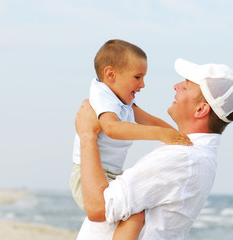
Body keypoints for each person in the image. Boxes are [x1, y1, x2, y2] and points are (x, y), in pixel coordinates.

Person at [75, 58, 233, 239]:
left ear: (201, 109)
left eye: (186, 87)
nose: (176, 86)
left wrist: (87, 134)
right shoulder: (195, 155)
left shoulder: (183, 157)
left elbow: (98, 207)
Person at [70, 40, 192, 239]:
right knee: (135, 213)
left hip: (111, 174)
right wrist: (161, 135)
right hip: (87, 179)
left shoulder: (121, 99)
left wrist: (179, 135)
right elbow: (112, 128)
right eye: (137, 77)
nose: (142, 84)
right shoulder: (103, 97)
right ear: (110, 75)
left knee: (141, 201)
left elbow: (148, 119)